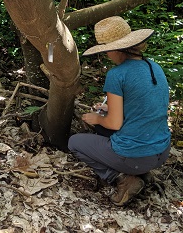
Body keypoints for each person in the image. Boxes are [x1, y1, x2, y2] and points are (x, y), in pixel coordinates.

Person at [68, 16, 171, 206]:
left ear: (116, 49)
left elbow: (114, 123)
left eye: (106, 50)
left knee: (75, 142)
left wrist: (97, 119)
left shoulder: (117, 74)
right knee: (101, 129)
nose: (107, 55)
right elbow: (146, 106)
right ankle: (141, 172)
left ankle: (122, 178)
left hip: (136, 155)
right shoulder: (154, 67)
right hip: (162, 151)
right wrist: (110, 108)